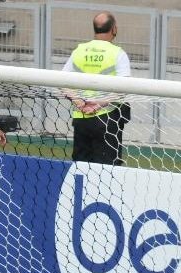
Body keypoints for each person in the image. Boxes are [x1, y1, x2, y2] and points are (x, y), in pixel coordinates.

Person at [63, 12, 132, 165]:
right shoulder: (118, 54)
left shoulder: (80, 50)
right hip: (107, 120)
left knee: (80, 168)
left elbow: (62, 81)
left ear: (95, 29)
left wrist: (78, 100)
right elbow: (123, 88)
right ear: (114, 29)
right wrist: (99, 103)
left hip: (81, 120)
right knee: (107, 171)